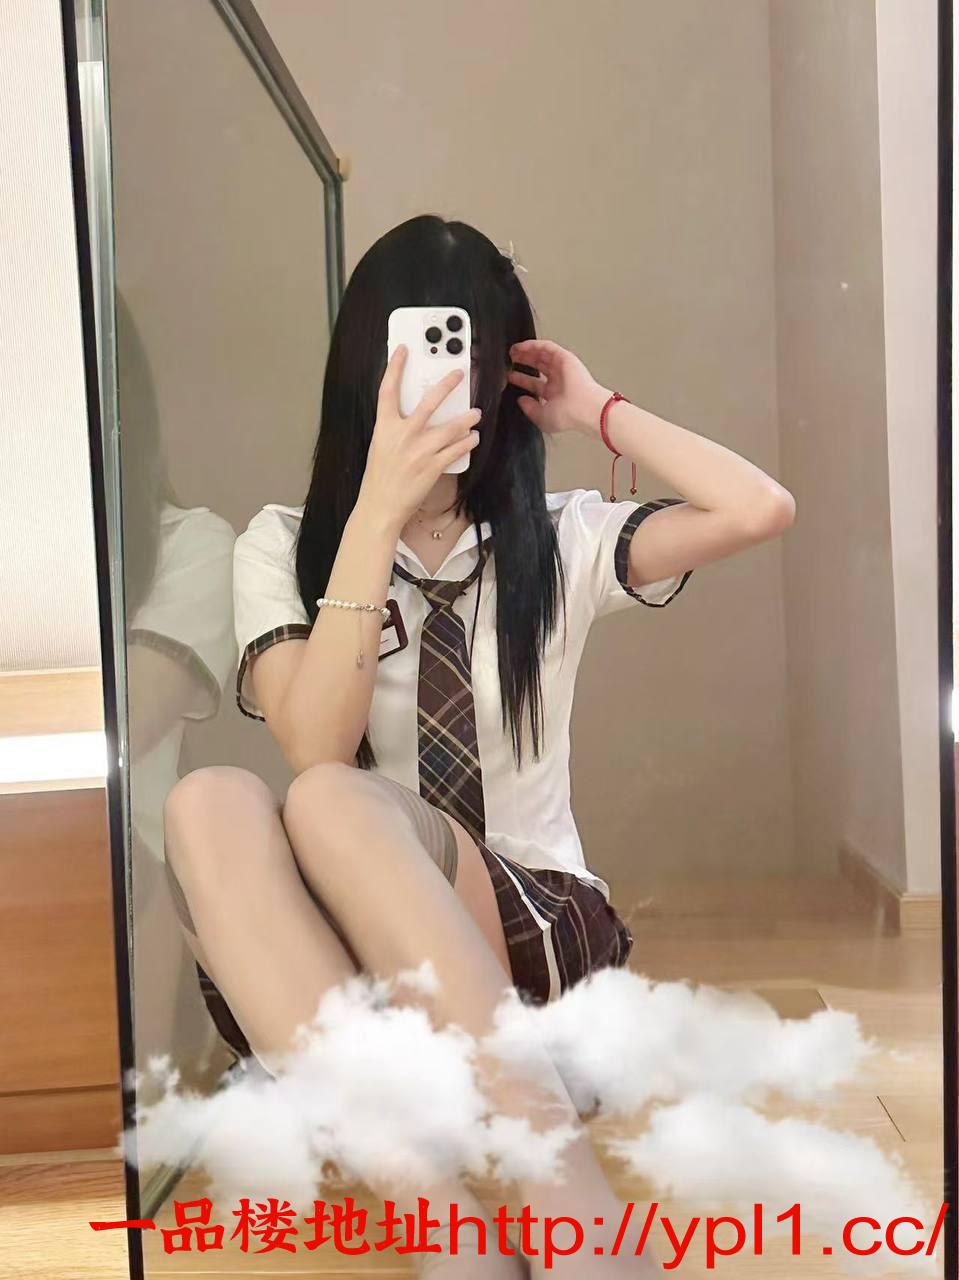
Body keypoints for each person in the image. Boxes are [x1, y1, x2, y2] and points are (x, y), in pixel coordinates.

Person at [162, 214, 795, 1277]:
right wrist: (374, 512)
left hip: (529, 938)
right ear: (364, 369)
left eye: (463, 356)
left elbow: (759, 507)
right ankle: (448, 1235)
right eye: (409, 357)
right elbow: (314, 738)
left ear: (500, 374)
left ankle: (574, 1218)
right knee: (211, 801)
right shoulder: (284, 544)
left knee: (330, 802)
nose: (436, 386)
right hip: (355, 967)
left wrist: (596, 408)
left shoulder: (559, 536)